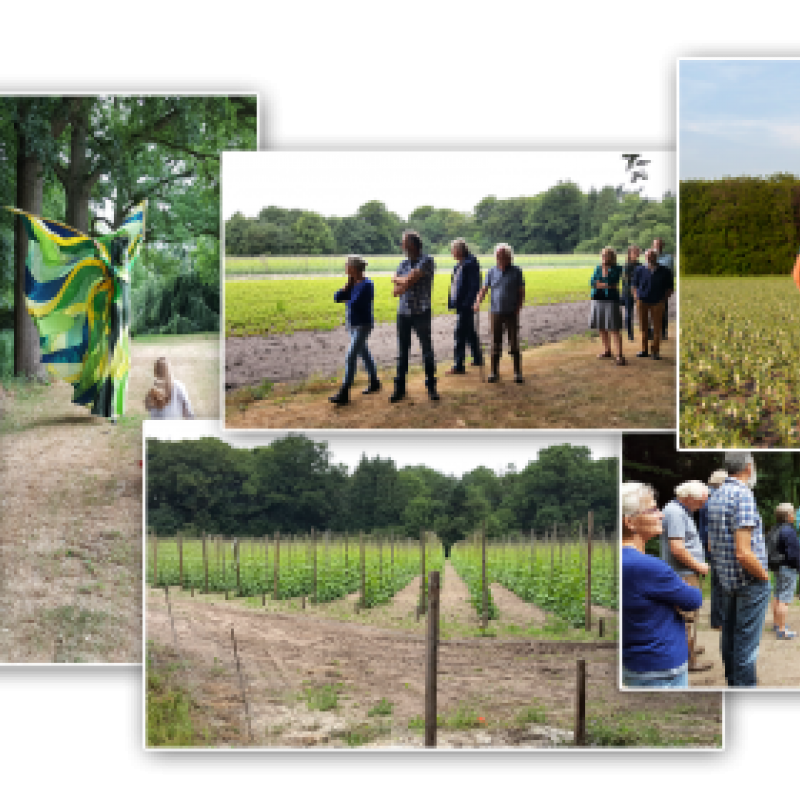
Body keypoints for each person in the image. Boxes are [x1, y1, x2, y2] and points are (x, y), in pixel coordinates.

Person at [622, 481, 704, 688]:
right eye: (652, 510)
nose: (661, 515)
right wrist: (681, 588)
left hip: (634, 663)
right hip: (660, 668)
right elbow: (693, 600)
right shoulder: (647, 566)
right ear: (629, 522)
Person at [706, 451, 771, 686]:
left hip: (727, 581)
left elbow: (712, 544)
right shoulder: (742, 495)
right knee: (746, 644)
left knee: (730, 637)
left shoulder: (716, 494)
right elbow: (743, 551)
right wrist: (763, 576)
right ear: (748, 467)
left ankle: (733, 682)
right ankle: (744, 686)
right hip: (749, 581)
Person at [660, 481, 713, 672]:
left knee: (687, 617)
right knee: (686, 617)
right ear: (689, 497)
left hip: (686, 572)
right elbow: (677, 548)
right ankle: (689, 660)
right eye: (701, 501)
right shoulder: (675, 512)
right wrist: (699, 565)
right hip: (683, 573)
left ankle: (688, 649)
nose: (703, 505)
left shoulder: (682, 510)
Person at [390, 230, 438, 402]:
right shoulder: (403, 263)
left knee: (427, 351)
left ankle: (432, 387)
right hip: (403, 313)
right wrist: (403, 281)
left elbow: (407, 281)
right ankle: (399, 389)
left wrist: (396, 278)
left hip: (421, 313)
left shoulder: (427, 261)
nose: (401, 245)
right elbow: (396, 292)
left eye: (403, 242)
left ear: (411, 244)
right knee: (402, 352)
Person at [329, 256, 379, 406]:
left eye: (347, 265)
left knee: (351, 357)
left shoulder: (367, 284)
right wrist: (345, 289)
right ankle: (375, 382)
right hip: (352, 325)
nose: (345, 267)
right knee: (364, 353)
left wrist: (347, 299)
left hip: (363, 325)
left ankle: (344, 392)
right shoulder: (353, 283)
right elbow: (336, 297)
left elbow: (355, 304)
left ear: (353, 268)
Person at [473, 243, 525, 383]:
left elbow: (521, 292)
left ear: (509, 256)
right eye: (498, 255)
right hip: (495, 312)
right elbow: (484, 290)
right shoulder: (491, 272)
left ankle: (517, 373)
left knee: (514, 344)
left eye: (502, 255)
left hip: (511, 312)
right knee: (495, 343)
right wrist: (478, 302)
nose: (500, 258)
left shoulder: (516, 271)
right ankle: (494, 372)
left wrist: (518, 308)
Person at [446, 238, 483, 375]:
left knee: (460, 333)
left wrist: (468, 303)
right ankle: (478, 358)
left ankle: (458, 365)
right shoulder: (460, 265)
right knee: (469, 332)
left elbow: (474, 286)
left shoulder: (470, 264)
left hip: (466, 305)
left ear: (459, 250)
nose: (452, 252)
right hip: (461, 304)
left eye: (453, 249)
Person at [698, 470, 729, 631]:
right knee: (720, 584)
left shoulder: (707, 498)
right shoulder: (714, 499)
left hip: (710, 546)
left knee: (717, 583)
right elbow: (712, 528)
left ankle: (718, 619)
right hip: (715, 547)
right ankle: (719, 620)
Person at [632, 248, 673, 360]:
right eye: (648, 256)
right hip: (642, 302)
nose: (650, 257)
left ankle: (655, 351)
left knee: (657, 328)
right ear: (645, 257)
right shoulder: (639, 269)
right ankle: (644, 350)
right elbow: (634, 285)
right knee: (643, 327)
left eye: (652, 255)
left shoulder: (665, 271)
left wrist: (663, 299)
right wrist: (636, 297)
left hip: (658, 303)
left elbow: (670, 288)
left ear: (656, 257)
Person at [767, 502, 799, 639]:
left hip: (777, 566)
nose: (795, 516)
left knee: (778, 595)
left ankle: (777, 624)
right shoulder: (789, 531)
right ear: (789, 516)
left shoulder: (774, 529)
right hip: (788, 567)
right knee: (784, 599)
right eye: (793, 514)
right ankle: (782, 630)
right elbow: (793, 554)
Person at [588, 247, 625, 365]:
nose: (604, 257)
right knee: (601, 326)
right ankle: (607, 350)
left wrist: (602, 283)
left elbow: (613, 282)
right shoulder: (598, 267)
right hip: (598, 300)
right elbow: (592, 282)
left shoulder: (617, 268)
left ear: (612, 257)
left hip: (611, 300)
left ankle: (619, 355)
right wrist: (605, 285)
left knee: (614, 328)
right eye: (602, 255)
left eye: (606, 255)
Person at [653, 237, 674, 340]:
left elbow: (671, 273)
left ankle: (663, 331)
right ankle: (654, 331)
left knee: (663, 309)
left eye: (660, 244)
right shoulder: (650, 256)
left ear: (663, 246)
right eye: (656, 244)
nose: (658, 246)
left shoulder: (669, 258)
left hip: (663, 287)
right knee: (652, 310)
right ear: (653, 245)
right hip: (652, 287)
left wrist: (670, 288)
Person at [621, 245, 642, 343]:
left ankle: (646, 332)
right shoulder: (626, 266)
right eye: (634, 252)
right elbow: (626, 281)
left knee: (642, 313)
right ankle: (630, 334)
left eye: (637, 252)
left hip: (639, 293)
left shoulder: (640, 265)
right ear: (629, 254)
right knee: (629, 314)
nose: (637, 253)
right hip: (628, 294)